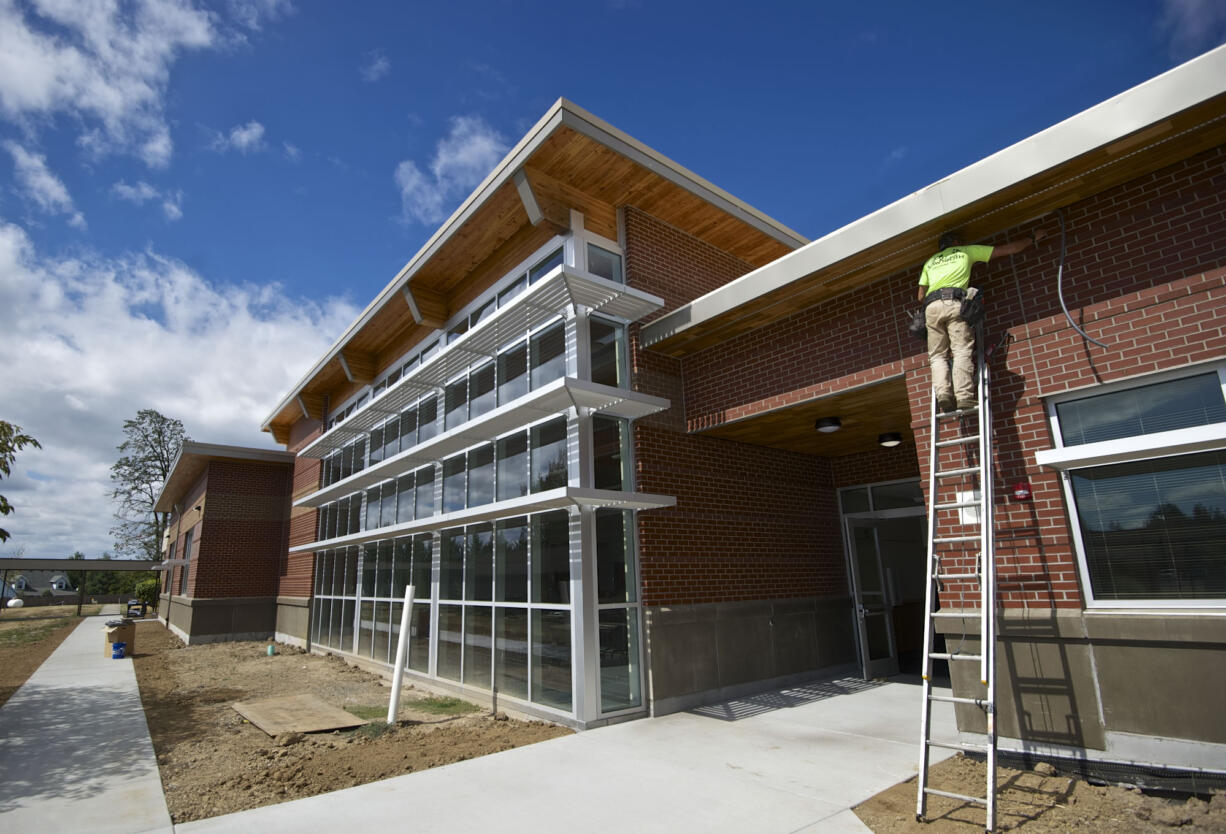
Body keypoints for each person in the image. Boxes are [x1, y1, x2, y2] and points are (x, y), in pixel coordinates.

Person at [917, 229, 1045, 413]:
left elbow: (921, 295)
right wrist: (1032, 238)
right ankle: (963, 396)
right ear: (955, 243)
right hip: (954, 302)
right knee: (960, 350)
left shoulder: (930, 262)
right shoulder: (966, 251)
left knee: (937, 356)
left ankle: (943, 395)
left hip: (931, 307)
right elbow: (1009, 249)